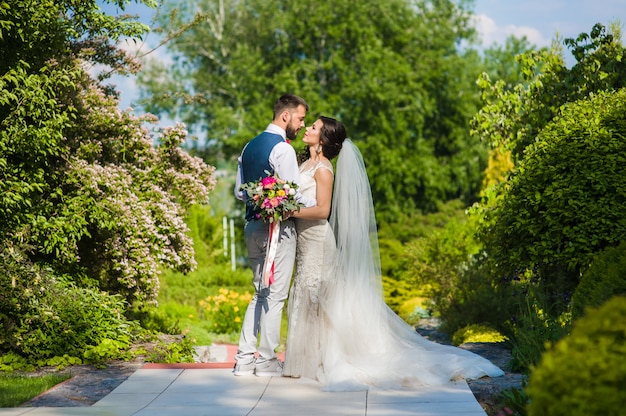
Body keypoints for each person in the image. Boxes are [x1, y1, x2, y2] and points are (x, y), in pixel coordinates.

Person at [282, 116, 505, 390]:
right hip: (304, 242)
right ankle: (303, 359)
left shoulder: (324, 170)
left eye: (313, 127)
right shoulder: (305, 162)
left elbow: (323, 211)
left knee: (317, 295)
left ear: (324, 138)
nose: (307, 128)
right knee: (306, 294)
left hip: (318, 240)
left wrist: (288, 210)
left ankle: (323, 357)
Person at [233, 94, 316, 377]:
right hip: (276, 230)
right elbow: (294, 196)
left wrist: (261, 195)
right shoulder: (283, 149)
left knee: (259, 292)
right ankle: (266, 360)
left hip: (251, 226)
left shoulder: (248, 146)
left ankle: (244, 359)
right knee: (276, 295)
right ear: (286, 116)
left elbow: (239, 192)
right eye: (301, 118)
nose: (301, 125)